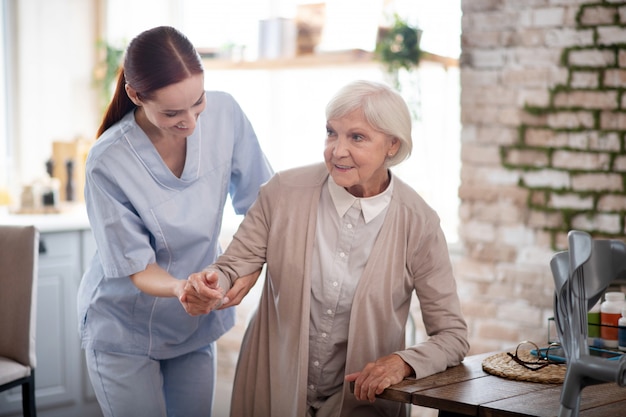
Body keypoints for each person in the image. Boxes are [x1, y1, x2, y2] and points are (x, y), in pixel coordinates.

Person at [187, 80, 469, 417]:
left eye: (357, 137)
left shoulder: (419, 223)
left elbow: (452, 336)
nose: (337, 150)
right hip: (272, 386)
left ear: (393, 145)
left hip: (362, 403)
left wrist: (403, 362)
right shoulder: (282, 192)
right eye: (331, 133)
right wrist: (211, 282)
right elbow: (234, 265)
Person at [76, 26, 273, 417]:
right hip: (123, 329)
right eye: (172, 113)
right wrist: (184, 288)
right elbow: (136, 267)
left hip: (192, 326)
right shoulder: (108, 160)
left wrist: (243, 273)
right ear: (135, 95)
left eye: (197, 102)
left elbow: (262, 207)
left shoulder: (227, 114)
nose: (191, 123)